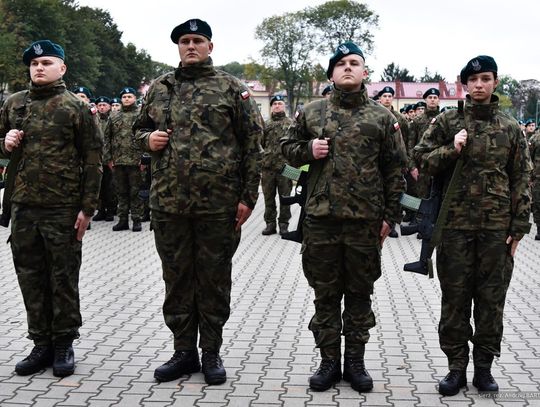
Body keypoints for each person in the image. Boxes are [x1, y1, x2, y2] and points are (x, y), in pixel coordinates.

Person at [133, 18, 263, 385]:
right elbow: (136, 130)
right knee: (176, 278)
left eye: (198, 40)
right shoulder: (160, 88)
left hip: (218, 205)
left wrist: (248, 196)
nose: (191, 46)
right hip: (169, 202)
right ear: (178, 47)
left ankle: (211, 351)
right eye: (185, 41)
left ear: (210, 46)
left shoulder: (231, 88)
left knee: (213, 279)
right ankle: (183, 351)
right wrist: (148, 141)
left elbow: (253, 144)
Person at [281, 41, 406, 393]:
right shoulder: (311, 112)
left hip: (365, 221)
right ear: (331, 73)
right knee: (325, 294)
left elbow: (396, 170)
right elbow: (286, 152)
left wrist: (390, 216)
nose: (347, 67)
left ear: (364, 71)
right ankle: (328, 361)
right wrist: (308, 150)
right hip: (321, 220)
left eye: (354, 62)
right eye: (340, 63)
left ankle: (355, 361)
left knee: (360, 293)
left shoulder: (383, 118)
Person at [414, 55, 532, 396]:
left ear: (495, 82)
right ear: (464, 84)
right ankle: (455, 367)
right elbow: (420, 159)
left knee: (491, 300)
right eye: (473, 80)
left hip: (496, 230)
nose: (479, 85)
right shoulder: (448, 121)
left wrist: (519, 225)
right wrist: (451, 149)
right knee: (455, 299)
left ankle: (483, 368)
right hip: (454, 227)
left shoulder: (510, 127)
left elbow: (521, 177)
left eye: (486, 79)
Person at [0, 40, 102, 377]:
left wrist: (88, 208)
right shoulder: (14, 104)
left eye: (46, 62)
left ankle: (63, 344)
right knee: (30, 278)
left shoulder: (76, 108)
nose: (39, 68)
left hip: (63, 208)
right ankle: (40, 343)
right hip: (23, 207)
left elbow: (93, 160)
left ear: (62, 68)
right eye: (34, 64)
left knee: (63, 278)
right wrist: (5, 143)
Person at [104, 87, 143, 232]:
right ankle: (123, 220)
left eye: (129, 96)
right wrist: (108, 158)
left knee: (135, 192)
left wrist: (144, 160)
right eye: (124, 97)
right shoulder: (114, 116)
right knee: (121, 192)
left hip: (135, 161)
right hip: (118, 160)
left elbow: (146, 136)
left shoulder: (140, 115)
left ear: (134, 98)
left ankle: (137, 220)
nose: (126, 99)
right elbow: (107, 138)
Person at [261, 94, 293, 236]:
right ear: (271, 107)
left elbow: (296, 144)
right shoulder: (265, 124)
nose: (277, 106)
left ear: (284, 106)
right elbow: (261, 143)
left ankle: (284, 224)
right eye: (274, 104)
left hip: (287, 167)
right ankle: (270, 224)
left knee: (286, 197)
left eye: (280, 103)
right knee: (268, 197)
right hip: (267, 167)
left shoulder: (291, 124)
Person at [93, 96, 116, 222]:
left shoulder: (113, 119)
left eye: (104, 105)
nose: (102, 107)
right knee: (99, 186)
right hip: (97, 158)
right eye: (99, 105)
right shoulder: (93, 119)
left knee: (110, 186)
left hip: (109, 158)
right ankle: (101, 210)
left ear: (109, 106)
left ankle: (110, 211)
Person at [529, 129, 540, 240]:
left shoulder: (535, 138)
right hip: (537, 177)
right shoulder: (535, 139)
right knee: (537, 203)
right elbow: (529, 158)